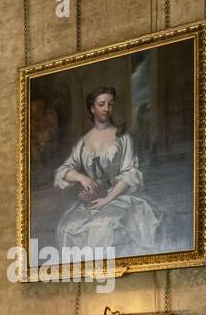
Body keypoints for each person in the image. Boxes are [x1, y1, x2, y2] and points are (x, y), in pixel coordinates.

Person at [53, 86, 161, 255]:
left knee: (103, 225)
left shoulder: (122, 138)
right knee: (67, 228)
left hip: (120, 197)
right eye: (101, 104)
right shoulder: (83, 142)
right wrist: (82, 178)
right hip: (93, 202)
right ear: (92, 108)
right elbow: (63, 171)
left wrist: (107, 199)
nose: (106, 109)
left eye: (110, 104)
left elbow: (131, 173)